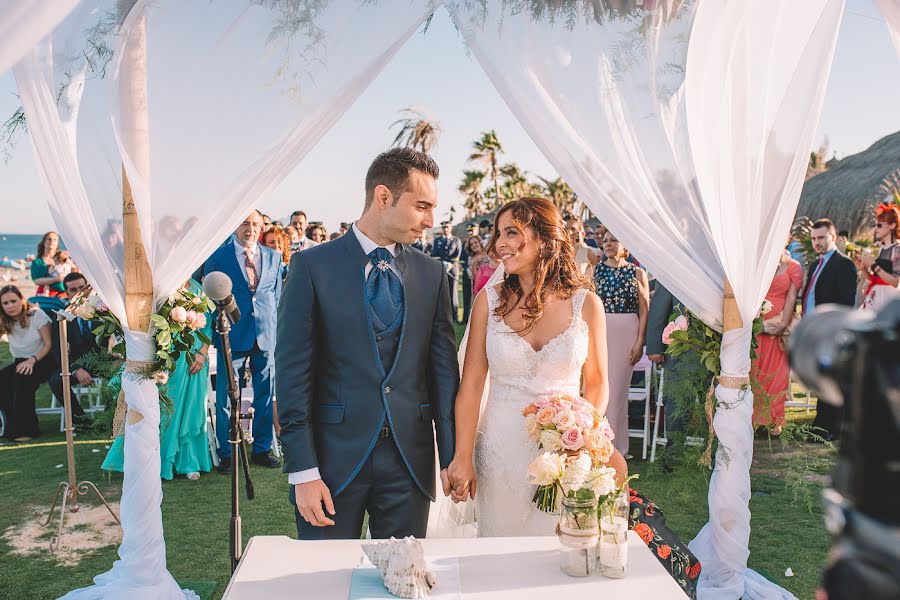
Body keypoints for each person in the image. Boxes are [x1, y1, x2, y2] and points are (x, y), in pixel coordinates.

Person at [277, 147, 458, 540]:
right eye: (421, 206)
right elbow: (293, 375)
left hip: (410, 463)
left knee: (401, 583)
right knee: (323, 584)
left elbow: (443, 372)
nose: (430, 220)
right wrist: (304, 471)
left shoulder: (432, 274)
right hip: (331, 463)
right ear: (383, 197)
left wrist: (451, 454)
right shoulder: (312, 267)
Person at [444, 196, 608, 536]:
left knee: (558, 552)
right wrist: (462, 456)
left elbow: (596, 382)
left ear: (545, 238)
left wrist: (581, 437)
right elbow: (472, 385)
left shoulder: (587, 305)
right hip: (498, 452)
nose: (499, 244)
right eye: (498, 234)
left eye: (512, 233)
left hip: (565, 455)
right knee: (499, 550)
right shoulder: (487, 303)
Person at [204, 210, 283, 471]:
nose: (250, 228)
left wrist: (279, 334)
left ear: (262, 227)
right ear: (235, 226)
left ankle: (261, 449)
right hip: (231, 335)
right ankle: (227, 452)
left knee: (265, 394)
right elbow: (209, 299)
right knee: (227, 396)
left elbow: (277, 298)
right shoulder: (218, 257)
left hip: (266, 335)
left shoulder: (273, 256)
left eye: (255, 224)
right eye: (245, 223)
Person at [594, 230, 649, 455]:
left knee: (617, 392)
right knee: (596, 386)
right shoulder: (596, 271)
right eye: (605, 241)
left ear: (625, 245)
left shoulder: (637, 273)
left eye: (613, 239)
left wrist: (640, 340)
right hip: (600, 330)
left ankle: (616, 448)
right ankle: (596, 443)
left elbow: (645, 309)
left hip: (627, 331)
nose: (608, 244)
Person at [801, 218, 857, 440]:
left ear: (833, 237)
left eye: (821, 237)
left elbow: (846, 302)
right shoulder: (816, 264)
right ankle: (821, 424)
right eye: (814, 238)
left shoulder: (844, 264)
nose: (816, 242)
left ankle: (833, 427)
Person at [752, 248, 803, 436]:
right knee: (755, 372)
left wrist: (782, 324)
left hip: (779, 325)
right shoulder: (758, 266)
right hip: (757, 325)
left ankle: (773, 421)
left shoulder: (794, 267)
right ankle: (754, 420)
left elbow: (791, 296)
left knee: (777, 374)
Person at [0, 285, 55, 441]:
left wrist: (32, 360)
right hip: (20, 360)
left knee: (20, 381)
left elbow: (48, 344)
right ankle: (8, 424)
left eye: (13, 301)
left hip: (42, 359)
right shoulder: (4, 319)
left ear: (22, 300)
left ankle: (28, 430)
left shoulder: (37, 315)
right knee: (3, 379)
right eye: (5, 303)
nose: (10, 306)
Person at [646, 282, 697, 438]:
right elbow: (658, 309)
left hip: (714, 353)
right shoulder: (674, 269)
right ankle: (673, 455)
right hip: (680, 353)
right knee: (676, 406)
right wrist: (655, 347)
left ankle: (715, 457)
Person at [47, 273, 99, 426]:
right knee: (56, 380)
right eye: (73, 289)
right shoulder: (61, 317)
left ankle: (111, 420)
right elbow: (58, 351)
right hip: (77, 363)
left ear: (89, 288)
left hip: (105, 361)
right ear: (67, 293)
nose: (78, 292)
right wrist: (76, 369)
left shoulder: (103, 310)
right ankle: (81, 421)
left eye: (82, 288)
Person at [431, 221, 462, 323]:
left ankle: (455, 316)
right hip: (441, 268)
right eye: (443, 227)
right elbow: (434, 254)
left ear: (451, 228)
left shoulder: (456, 240)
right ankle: (444, 316)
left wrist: (451, 264)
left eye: (447, 227)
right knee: (442, 293)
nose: (445, 229)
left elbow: (457, 255)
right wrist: (442, 263)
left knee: (453, 293)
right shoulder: (437, 240)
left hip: (453, 270)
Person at [30, 231, 68, 298]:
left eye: (55, 240)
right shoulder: (37, 262)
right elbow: (36, 281)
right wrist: (57, 279)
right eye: (49, 239)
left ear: (57, 243)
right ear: (44, 242)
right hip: (44, 295)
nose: (51, 241)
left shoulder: (64, 258)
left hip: (63, 294)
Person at [565, 214, 601, 278]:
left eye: (573, 229)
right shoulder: (559, 251)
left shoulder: (591, 252)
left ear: (582, 233)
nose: (569, 232)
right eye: (566, 229)